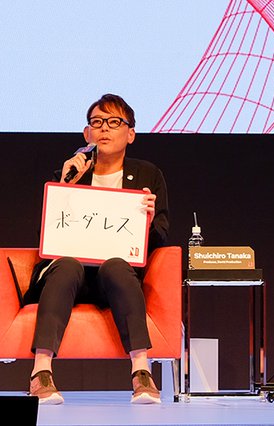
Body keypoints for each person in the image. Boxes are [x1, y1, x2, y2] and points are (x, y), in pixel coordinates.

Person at [23, 94, 170, 405]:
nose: (104, 128)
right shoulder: (70, 172)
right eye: (97, 122)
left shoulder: (148, 175)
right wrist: (66, 185)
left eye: (114, 122)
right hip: (70, 277)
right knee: (67, 264)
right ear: (86, 133)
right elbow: (47, 237)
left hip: (113, 279)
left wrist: (147, 222)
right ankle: (41, 373)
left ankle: (141, 372)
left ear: (130, 133)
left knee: (115, 265)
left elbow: (161, 235)